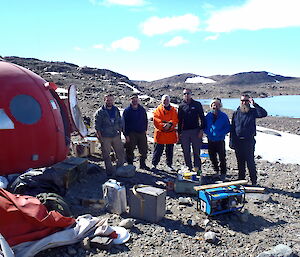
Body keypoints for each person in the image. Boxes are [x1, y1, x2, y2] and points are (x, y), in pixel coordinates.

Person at [230, 94, 268, 185]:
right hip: (238, 141)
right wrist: (231, 141)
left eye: (246, 101)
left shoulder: (252, 111)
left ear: (249, 102)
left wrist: (255, 104)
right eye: (242, 101)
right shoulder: (236, 113)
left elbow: (264, 113)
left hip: (249, 141)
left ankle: (253, 181)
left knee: (250, 161)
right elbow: (233, 128)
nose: (244, 102)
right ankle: (241, 180)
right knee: (240, 162)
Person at [94, 94, 125, 176]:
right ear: (104, 100)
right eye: (108, 100)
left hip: (116, 135)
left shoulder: (116, 110)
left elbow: (119, 121)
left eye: (111, 100)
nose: (109, 102)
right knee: (106, 155)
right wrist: (100, 138)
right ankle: (109, 172)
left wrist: (120, 133)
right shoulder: (100, 112)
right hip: (105, 136)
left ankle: (119, 169)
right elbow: (97, 127)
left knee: (120, 153)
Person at [178, 88, 206, 172]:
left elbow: (202, 118)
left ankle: (198, 171)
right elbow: (179, 121)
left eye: (188, 93)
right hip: (185, 132)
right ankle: (189, 170)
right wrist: (179, 133)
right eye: (184, 94)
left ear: (191, 94)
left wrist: (201, 130)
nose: (186, 95)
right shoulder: (181, 106)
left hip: (195, 131)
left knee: (196, 152)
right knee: (186, 152)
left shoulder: (197, 104)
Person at [204, 98, 230, 181]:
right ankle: (216, 171)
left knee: (222, 157)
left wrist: (220, 133)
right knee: (212, 156)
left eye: (217, 105)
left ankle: (223, 173)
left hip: (220, 140)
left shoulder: (224, 116)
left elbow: (227, 127)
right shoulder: (208, 116)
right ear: (211, 106)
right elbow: (204, 126)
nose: (215, 106)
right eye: (213, 105)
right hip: (210, 139)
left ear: (220, 106)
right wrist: (208, 133)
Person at [122, 93, 150, 170]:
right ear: (130, 100)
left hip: (141, 132)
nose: (134, 101)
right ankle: (130, 164)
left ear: (138, 100)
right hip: (131, 133)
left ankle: (142, 164)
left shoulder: (142, 109)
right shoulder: (127, 111)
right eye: (133, 99)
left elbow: (145, 120)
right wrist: (126, 134)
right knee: (130, 149)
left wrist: (145, 130)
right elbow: (123, 124)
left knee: (144, 149)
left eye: (136, 99)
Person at [152, 94, 178, 171]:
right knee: (158, 150)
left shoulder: (173, 110)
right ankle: (154, 164)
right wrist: (164, 126)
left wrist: (169, 124)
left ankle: (169, 165)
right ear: (162, 101)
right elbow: (156, 120)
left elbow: (175, 120)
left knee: (169, 151)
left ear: (169, 101)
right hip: (160, 134)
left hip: (170, 134)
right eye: (164, 100)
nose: (165, 101)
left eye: (167, 100)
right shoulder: (158, 110)